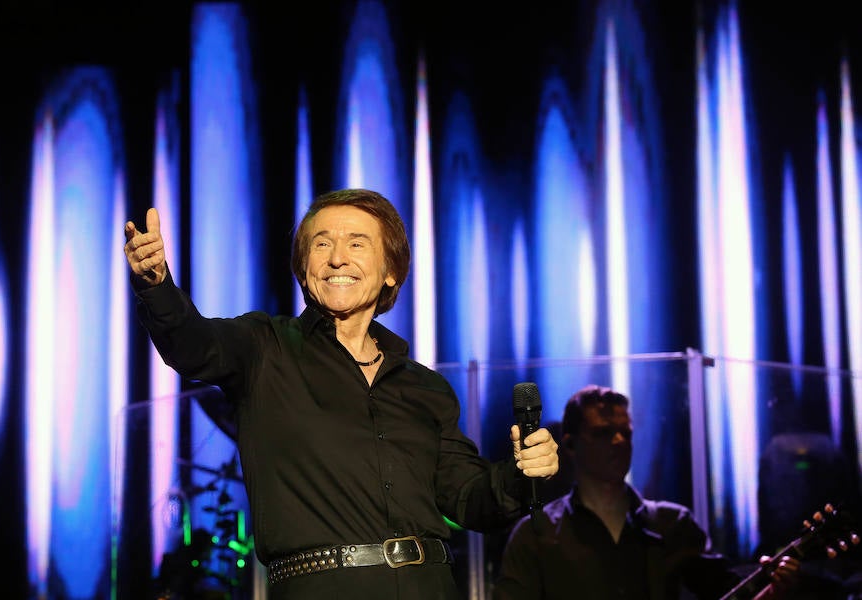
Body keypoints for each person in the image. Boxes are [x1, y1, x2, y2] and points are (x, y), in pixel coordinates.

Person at [123, 188, 559, 599]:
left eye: (356, 243)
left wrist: (523, 473)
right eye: (321, 244)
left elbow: (467, 499)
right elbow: (193, 343)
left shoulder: (425, 388)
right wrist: (156, 284)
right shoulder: (264, 348)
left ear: (391, 270)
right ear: (303, 267)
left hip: (430, 586)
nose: (336, 259)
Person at [493, 384, 800, 600]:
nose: (618, 442)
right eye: (603, 433)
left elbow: (725, 589)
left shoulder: (673, 524)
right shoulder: (536, 535)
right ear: (570, 445)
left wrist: (770, 590)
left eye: (625, 433)